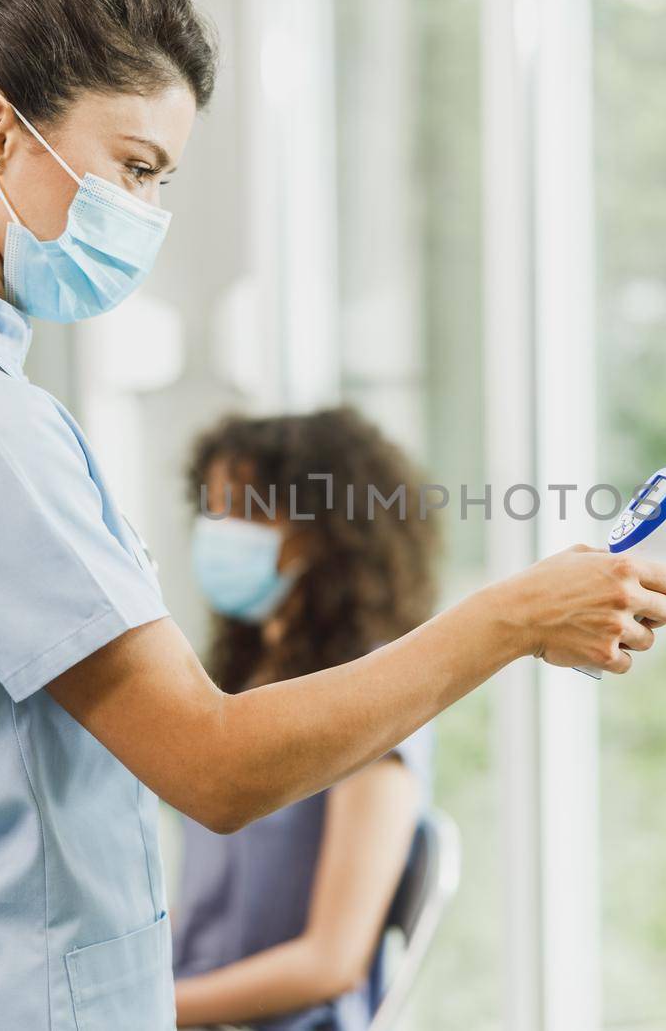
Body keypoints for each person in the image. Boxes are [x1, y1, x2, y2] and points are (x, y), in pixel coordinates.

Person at [0, 0, 666, 1028]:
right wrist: (510, 616)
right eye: (134, 167)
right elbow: (212, 763)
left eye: (161, 181)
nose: (145, 215)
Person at [170, 409, 438, 1031]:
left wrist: (145, 1011)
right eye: (211, 510)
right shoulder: (237, 686)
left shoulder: (373, 700)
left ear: (327, 530)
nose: (220, 532)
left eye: (243, 510)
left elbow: (330, 964)